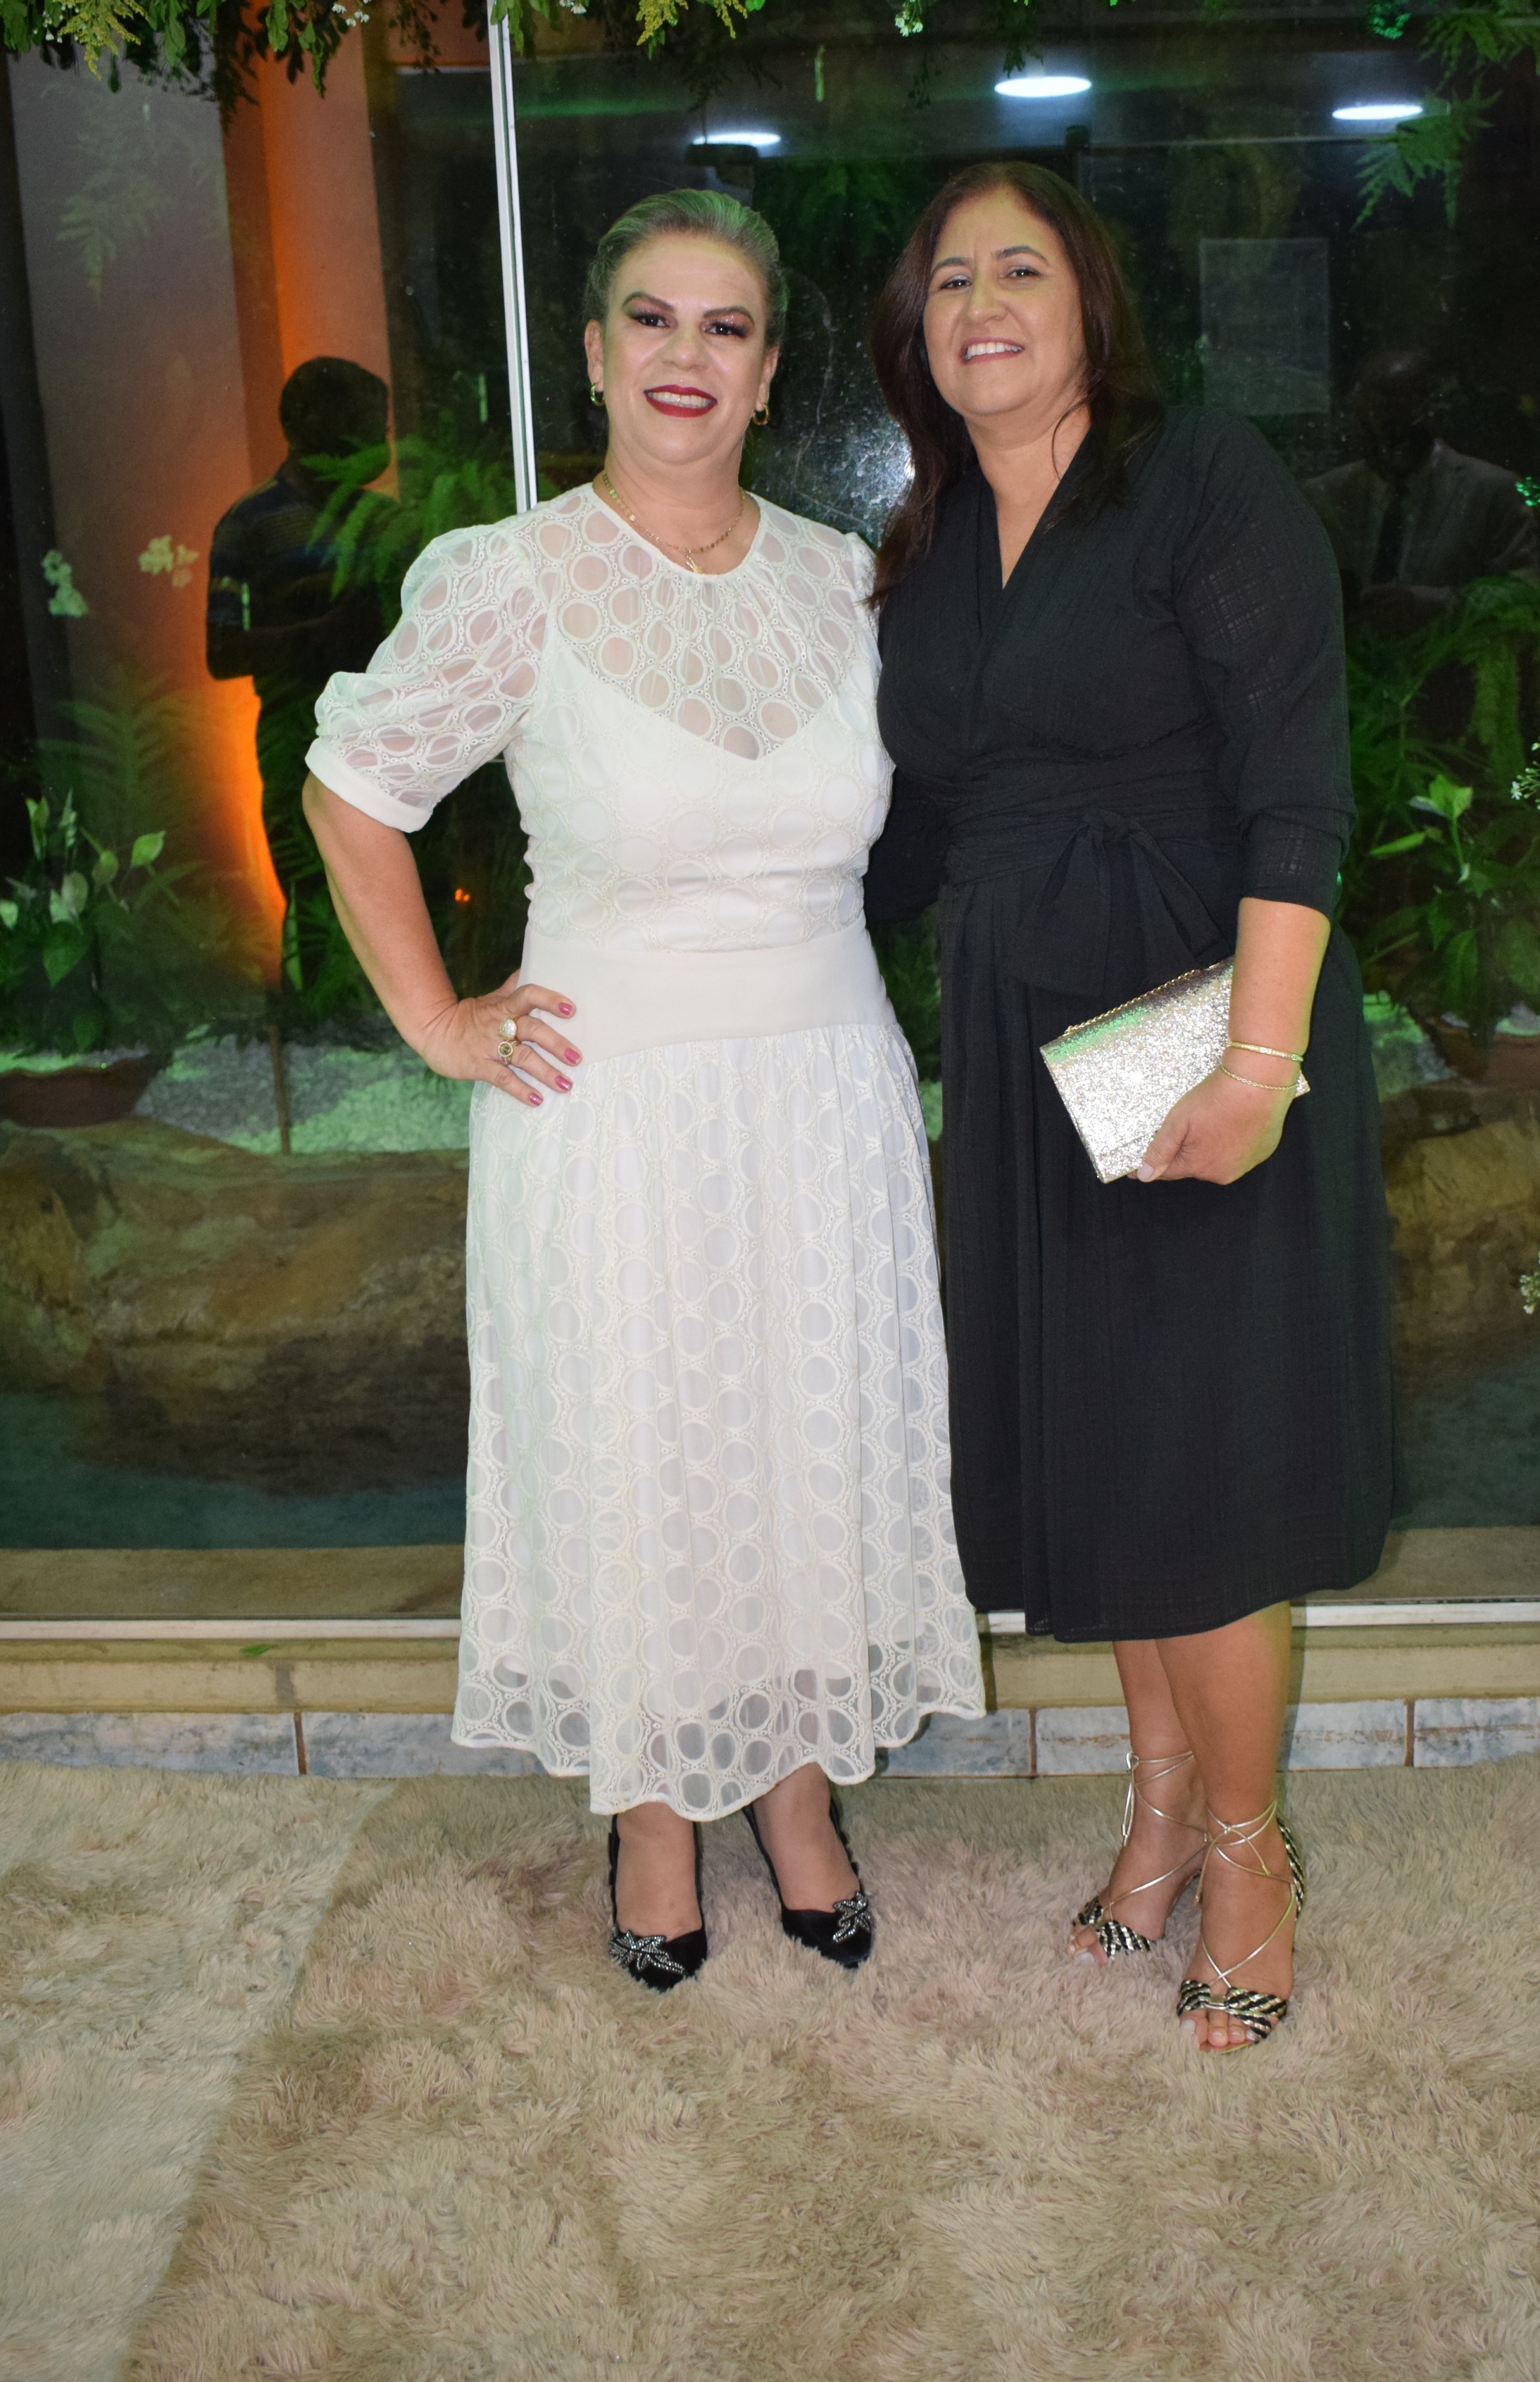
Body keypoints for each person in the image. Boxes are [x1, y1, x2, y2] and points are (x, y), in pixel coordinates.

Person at [303, 190, 984, 1991]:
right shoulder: (511, 577)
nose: (689, 355)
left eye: (727, 325)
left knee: (802, 1443)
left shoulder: (846, 580)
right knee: (641, 1453)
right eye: (653, 320)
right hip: (607, 1115)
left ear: (769, 371)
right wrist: (437, 1020)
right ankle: (655, 1808)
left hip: (823, 1101)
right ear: (595, 354)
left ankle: (793, 1785)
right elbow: (352, 789)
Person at [866, 163, 1394, 2052]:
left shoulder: (1198, 480)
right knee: (1111, 1450)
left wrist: (1255, 1060)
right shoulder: (929, 543)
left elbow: (1295, 788)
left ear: (1089, 300)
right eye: (947, 280)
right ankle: (1161, 1807)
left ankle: (1248, 1855)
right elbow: (903, 832)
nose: (980, 304)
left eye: (1017, 268)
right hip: (1022, 1039)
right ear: (915, 334)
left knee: (1198, 1467)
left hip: (1189, 1011)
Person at [207, 356, 394, 986]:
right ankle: (314, 1010)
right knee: (309, 887)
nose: (377, 440)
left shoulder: (384, 522)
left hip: (384, 729)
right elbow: (223, 652)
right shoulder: (250, 522)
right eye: (362, 423)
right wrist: (319, 632)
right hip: (297, 734)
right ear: (308, 423)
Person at [1305, 347, 1540, 631]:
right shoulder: (1324, 495)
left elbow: (1523, 596)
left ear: (1436, 412)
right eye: (1371, 418)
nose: (1387, 437)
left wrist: (1433, 608)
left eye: (1400, 415)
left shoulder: (1492, 492)